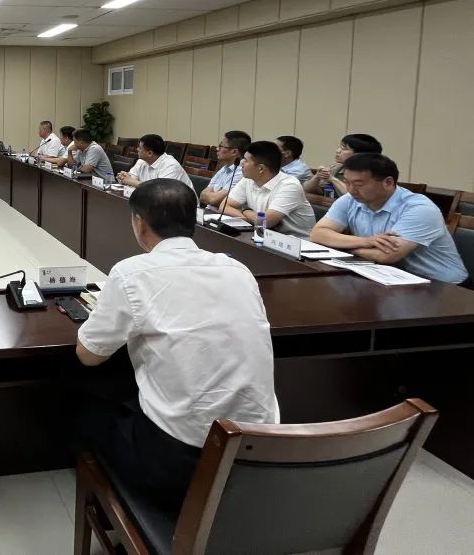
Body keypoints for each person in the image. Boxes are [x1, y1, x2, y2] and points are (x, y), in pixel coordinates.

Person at [74, 179, 278, 509]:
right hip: (258, 452)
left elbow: (89, 355)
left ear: (140, 223)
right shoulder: (237, 269)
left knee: (86, 409)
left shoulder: (131, 273)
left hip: (182, 462)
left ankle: (111, 502)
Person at [310, 153, 468, 284]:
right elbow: (318, 234)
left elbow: (387, 255)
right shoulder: (351, 199)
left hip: (442, 286)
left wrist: (343, 245)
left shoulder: (420, 209)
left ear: (388, 182)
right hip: (389, 276)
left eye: (358, 184)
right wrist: (366, 241)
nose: (351, 190)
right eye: (347, 183)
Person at [221, 141, 316, 238]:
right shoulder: (249, 179)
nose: (241, 163)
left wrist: (245, 210)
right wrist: (248, 217)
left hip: (296, 242)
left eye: (246, 160)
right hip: (263, 235)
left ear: (261, 168)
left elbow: (265, 221)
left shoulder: (290, 185)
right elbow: (224, 206)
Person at [304, 133, 382, 197]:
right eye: (339, 147)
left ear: (360, 154)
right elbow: (306, 190)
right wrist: (317, 177)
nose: (337, 151)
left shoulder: (372, 173)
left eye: (344, 148)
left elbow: (355, 197)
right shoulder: (337, 167)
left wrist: (332, 179)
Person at [116, 134, 193, 190]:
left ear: (150, 153)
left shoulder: (171, 165)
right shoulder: (141, 161)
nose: (137, 149)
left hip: (183, 205)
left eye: (140, 147)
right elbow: (130, 179)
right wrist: (123, 178)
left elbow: (161, 191)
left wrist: (131, 181)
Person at [198, 130, 251, 207]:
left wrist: (212, 195)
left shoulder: (241, 173)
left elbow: (215, 200)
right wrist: (213, 195)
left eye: (221, 146)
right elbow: (202, 195)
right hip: (209, 210)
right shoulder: (224, 168)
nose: (217, 148)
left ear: (234, 152)